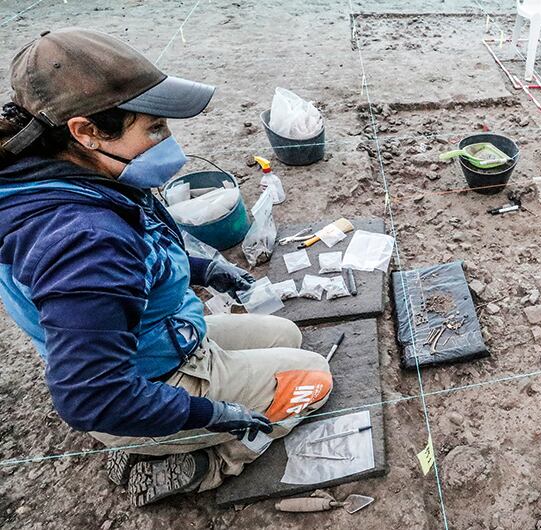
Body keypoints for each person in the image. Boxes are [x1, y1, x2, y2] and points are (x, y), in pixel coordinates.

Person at [0, 28, 332, 506]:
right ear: (86, 130)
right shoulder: (82, 240)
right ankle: (205, 461)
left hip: (154, 336)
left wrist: (203, 270)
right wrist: (212, 413)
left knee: (287, 336)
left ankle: (163, 430)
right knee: (313, 378)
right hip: (145, 379)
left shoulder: (66, 172)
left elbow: (135, 260)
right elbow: (90, 397)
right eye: (154, 129)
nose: (168, 143)